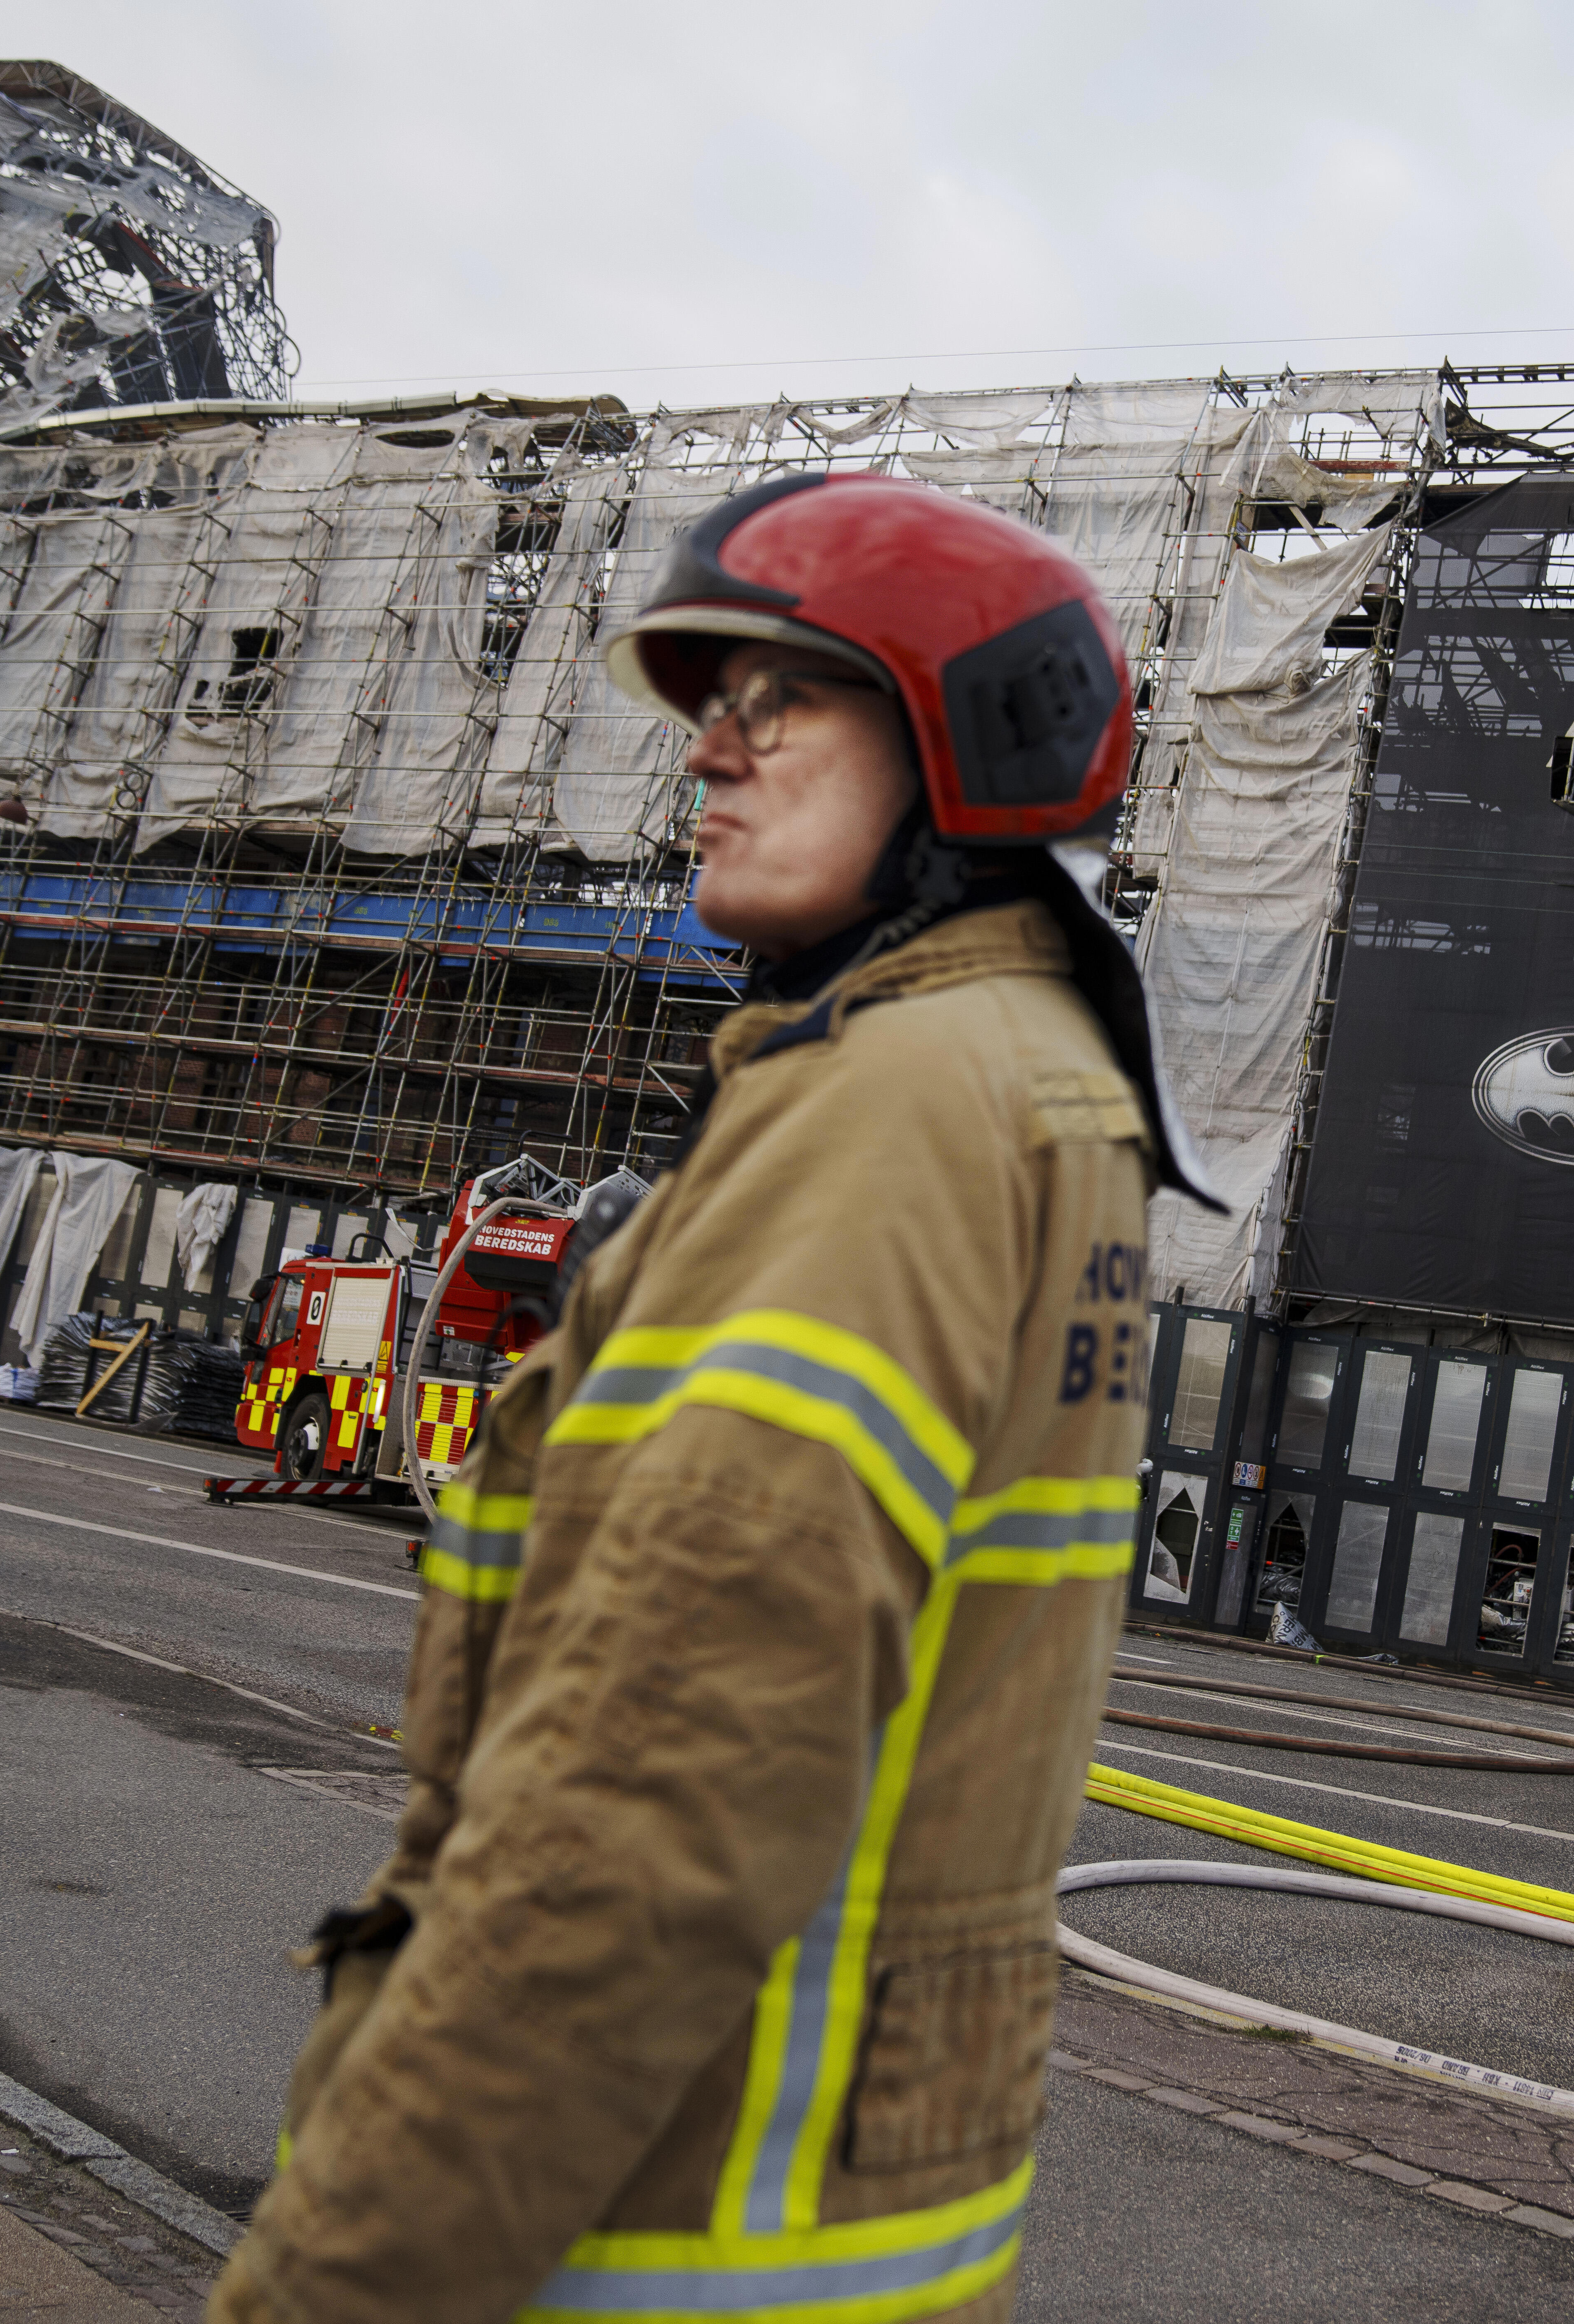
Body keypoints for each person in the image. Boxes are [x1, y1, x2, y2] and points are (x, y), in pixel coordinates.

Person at [210, 473, 1214, 2324]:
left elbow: (635, 1805)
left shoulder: (901, 1101)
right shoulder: (1038, 1076)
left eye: (777, 701)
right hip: (820, 2210)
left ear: (964, 742)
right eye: (704, 711)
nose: (708, 757)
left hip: (645, 2225)